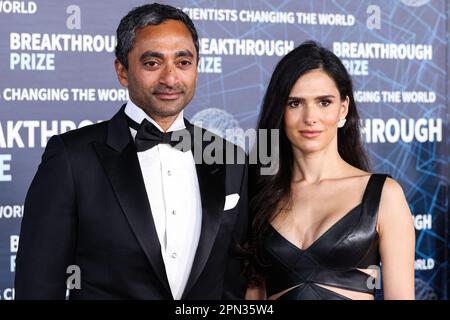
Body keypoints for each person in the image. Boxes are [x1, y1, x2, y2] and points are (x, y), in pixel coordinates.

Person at [15, 3, 248, 300]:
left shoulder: (230, 158)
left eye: (183, 63)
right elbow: (37, 285)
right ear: (122, 71)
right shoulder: (71, 158)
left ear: (197, 67)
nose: (171, 78)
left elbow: (234, 284)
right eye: (152, 63)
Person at [245, 41, 415, 300]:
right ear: (280, 110)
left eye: (324, 102)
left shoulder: (384, 195)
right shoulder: (259, 194)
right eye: (295, 103)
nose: (310, 117)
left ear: (343, 108)